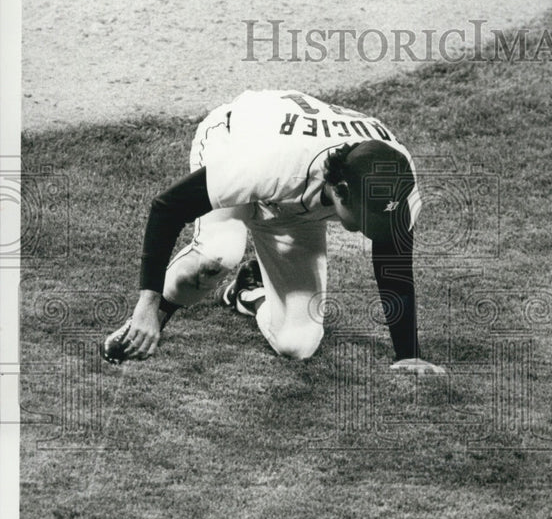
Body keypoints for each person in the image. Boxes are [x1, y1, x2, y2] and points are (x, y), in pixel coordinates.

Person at [102, 89, 444, 374]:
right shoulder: (273, 163)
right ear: (340, 191)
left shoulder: (395, 173)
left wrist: (408, 354)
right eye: (368, 217)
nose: (374, 229)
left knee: (298, 344)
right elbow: (168, 207)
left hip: (296, 201)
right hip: (235, 142)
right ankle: (148, 322)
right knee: (218, 253)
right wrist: (148, 304)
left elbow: (394, 267)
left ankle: (248, 290)